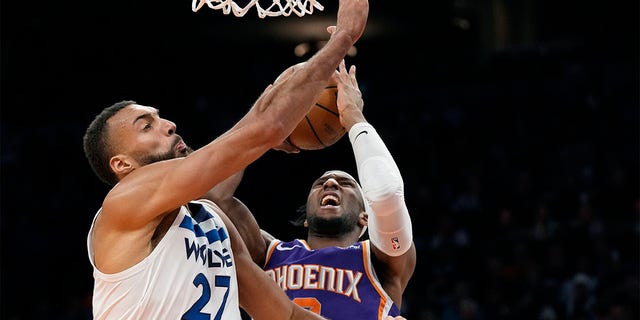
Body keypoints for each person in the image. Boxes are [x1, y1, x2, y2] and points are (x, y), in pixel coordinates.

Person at [81, 0, 369, 319]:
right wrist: (344, 37)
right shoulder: (125, 203)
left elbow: (285, 314)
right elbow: (263, 129)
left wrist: (271, 117)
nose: (168, 125)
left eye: (160, 117)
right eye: (146, 126)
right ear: (122, 165)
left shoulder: (212, 221)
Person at [217, 60, 417, 320]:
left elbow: (385, 194)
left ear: (365, 218)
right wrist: (262, 126)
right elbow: (214, 200)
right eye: (319, 184)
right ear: (307, 217)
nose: (330, 183)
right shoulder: (268, 252)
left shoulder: (383, 263)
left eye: (345, 184)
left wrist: (353, 114)